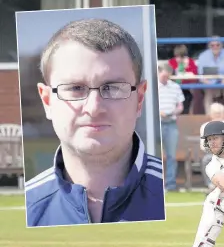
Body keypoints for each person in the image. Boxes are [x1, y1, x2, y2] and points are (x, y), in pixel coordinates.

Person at [25, 18, 165, 227]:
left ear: (139, 99)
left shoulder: (166, 192)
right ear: (47, 101)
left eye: (112, 87)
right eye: (75, 88)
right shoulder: (28, 204)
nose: (93, 108)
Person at [199, 103, 224, 191]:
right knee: (206, 160)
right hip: (213, 154)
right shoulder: (205, 126)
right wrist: (216, 151)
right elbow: (203, 146)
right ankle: (211, 185)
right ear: (210, 114)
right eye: (215, 113)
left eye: (219, 113)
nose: (217, 115)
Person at [158, 62, 185, 192]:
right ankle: (157, 185)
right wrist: (159, 113)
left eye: (168, 75)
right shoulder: (152, 87)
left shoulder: (175, 87)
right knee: (156, 156)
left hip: (171, 123)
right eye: (164, 75)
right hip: (157, 123)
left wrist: (174, 112)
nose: (166, 77)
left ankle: (171, 184)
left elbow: (180, 106)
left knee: (171, 156)